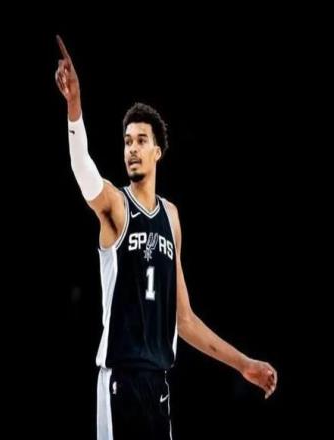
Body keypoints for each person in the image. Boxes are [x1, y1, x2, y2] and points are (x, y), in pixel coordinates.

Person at [55, 35, 277, 440]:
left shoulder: (171, 218)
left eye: (141, 141)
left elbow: (184, 319)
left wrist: (243, 363)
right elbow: (82, 168)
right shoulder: (116, 205)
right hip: (120, 379)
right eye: (127, 142)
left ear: (158, 151)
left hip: (158, 386)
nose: (132, 149)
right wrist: (74, 107)